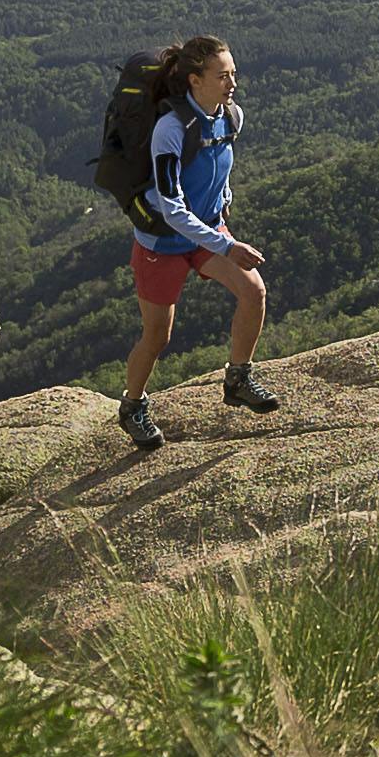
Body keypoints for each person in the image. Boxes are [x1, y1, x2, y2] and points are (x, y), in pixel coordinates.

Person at [115, 32, 274, 452]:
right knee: (157, 336)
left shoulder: (230, 118)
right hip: (161, 243)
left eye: (233, 74)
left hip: (204, 231)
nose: (232, 83)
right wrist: (225, 245)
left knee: (253, 290)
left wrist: (223, 202)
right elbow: (171, 208)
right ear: (194, 81)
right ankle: (132, 406)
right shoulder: (170, 129)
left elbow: (217, 169)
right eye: (222, 76)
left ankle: (237, 377)